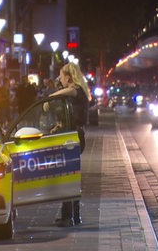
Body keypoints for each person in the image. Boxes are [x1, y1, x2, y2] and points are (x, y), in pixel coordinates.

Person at [47, 63, 91, 227]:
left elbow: (70, 90)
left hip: (74, 138)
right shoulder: (77, 93)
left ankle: (69, 216)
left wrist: (51, 98)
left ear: (69, 77)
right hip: (73, 135)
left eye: (61, 76)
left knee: (68, 177)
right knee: (70, 176)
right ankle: (72, 215)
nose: (60, 80)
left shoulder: (77, 90)